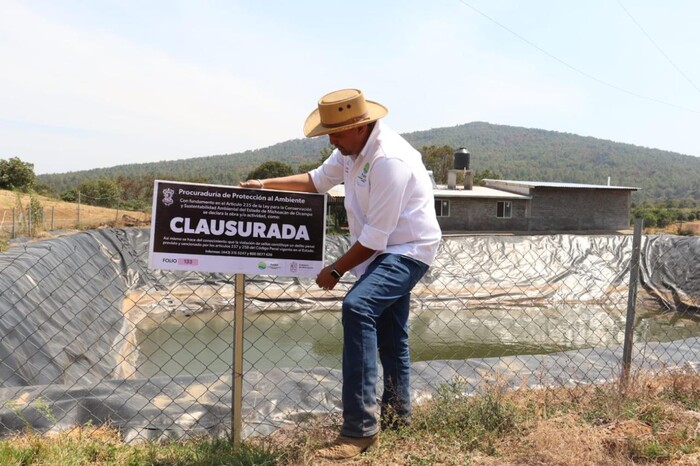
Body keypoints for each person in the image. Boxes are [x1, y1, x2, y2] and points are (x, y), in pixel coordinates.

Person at [240, 88, 442, 460]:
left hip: (408, 250)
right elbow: (316, 180)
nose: (331, 139)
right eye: (328, 133)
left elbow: (376, 238)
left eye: (336, 132)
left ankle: (359, 431)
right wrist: (265, 184)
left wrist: (335, 269)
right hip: (381, 252)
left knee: (358, 307)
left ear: (361, 126)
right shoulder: (350, 152)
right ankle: (399, 417)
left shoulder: (388, 161)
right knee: (391, 335)